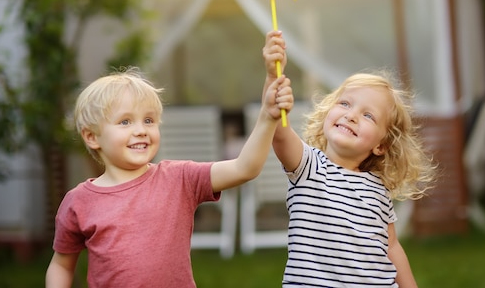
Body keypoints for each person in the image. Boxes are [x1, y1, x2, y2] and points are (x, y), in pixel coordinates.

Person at [45, 66, 293, 288]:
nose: (141, 130)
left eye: (149, 120)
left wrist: (267, 116)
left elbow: (244, 168)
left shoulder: (178, 179)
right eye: (125, 122)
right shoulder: (78, 202)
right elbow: (61, 265)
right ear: (92, 137)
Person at [262, 31, 435, 288]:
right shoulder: (309, 167)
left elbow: (392, 246)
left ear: (381, 145)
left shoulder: (377, 188)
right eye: (344, 103)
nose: (351, 116)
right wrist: (273, 77)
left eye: (368, 116)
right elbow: (279, 136)